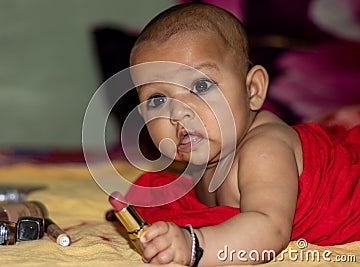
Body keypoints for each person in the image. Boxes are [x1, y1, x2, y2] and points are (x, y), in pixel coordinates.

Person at [126, 2, 360, 266]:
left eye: (201, 85)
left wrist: (195, 245)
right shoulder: (205, 158)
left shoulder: (263, 151)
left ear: (253, 90)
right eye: (157, 100)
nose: (179, 112)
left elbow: (270, 230)